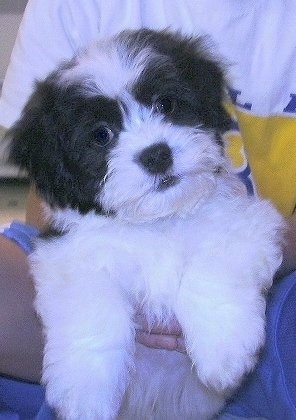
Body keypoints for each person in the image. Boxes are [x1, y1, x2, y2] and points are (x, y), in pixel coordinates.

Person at [0, 0, 296, 418]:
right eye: (103, 135)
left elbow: (255, 237)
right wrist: (92, 345)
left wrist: (213, 295)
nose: (152, 146)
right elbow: (58, 258)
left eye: (165, 107)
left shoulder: (230, 217)